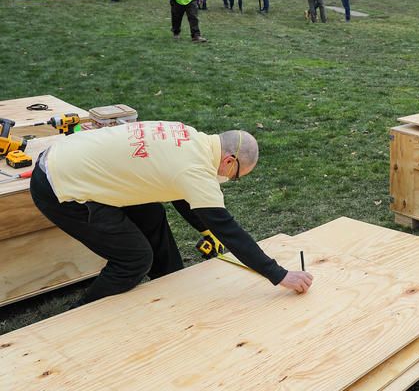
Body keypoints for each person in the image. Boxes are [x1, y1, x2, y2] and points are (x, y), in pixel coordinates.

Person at [29, 122, 314, 306]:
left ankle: (171, 286)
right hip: (60, 187)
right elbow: (229, 230)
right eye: (236, 175)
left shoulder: (192, 137)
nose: (231, 179)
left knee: (152, 212)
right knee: (134, 258)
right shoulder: (196, 171)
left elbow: (180, 195)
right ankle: (82, 312)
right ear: (229, 161)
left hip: (74, 159)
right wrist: (279, 275)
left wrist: (204, 230)